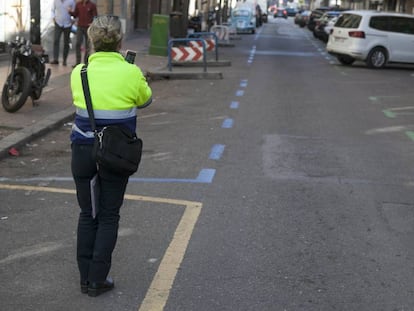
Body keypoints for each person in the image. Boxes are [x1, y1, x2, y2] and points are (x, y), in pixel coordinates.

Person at [70, 15, 152, 297]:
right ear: (120, 41)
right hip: (114, 152)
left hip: (82, 150)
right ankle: (97, 280)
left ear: (91, 40)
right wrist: (134, 74)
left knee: (87, 213)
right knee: (108, 216)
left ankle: (84, 278)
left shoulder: (78, 72)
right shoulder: (131, 72)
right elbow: (145, 99)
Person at [69, 0, 97, 67]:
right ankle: (77, 62)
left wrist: (92, 23)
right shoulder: (78, 4)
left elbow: (95, 16)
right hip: (80, 26)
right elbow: (75, 15)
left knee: (88, 45)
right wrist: (70, 12)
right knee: (78, 43)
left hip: (88, 27)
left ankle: (86, 62)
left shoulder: (92, 5)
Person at [51, 0, 75, 65]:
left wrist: (73, 20)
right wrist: (53, 18)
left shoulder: (71, 1)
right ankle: (55, 59)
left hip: (68, 24)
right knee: (56, 40)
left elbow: (74, 12)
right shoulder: (56, 1)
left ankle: (65, 60)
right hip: (58, 23)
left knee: (66, 43)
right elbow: (52, 10)